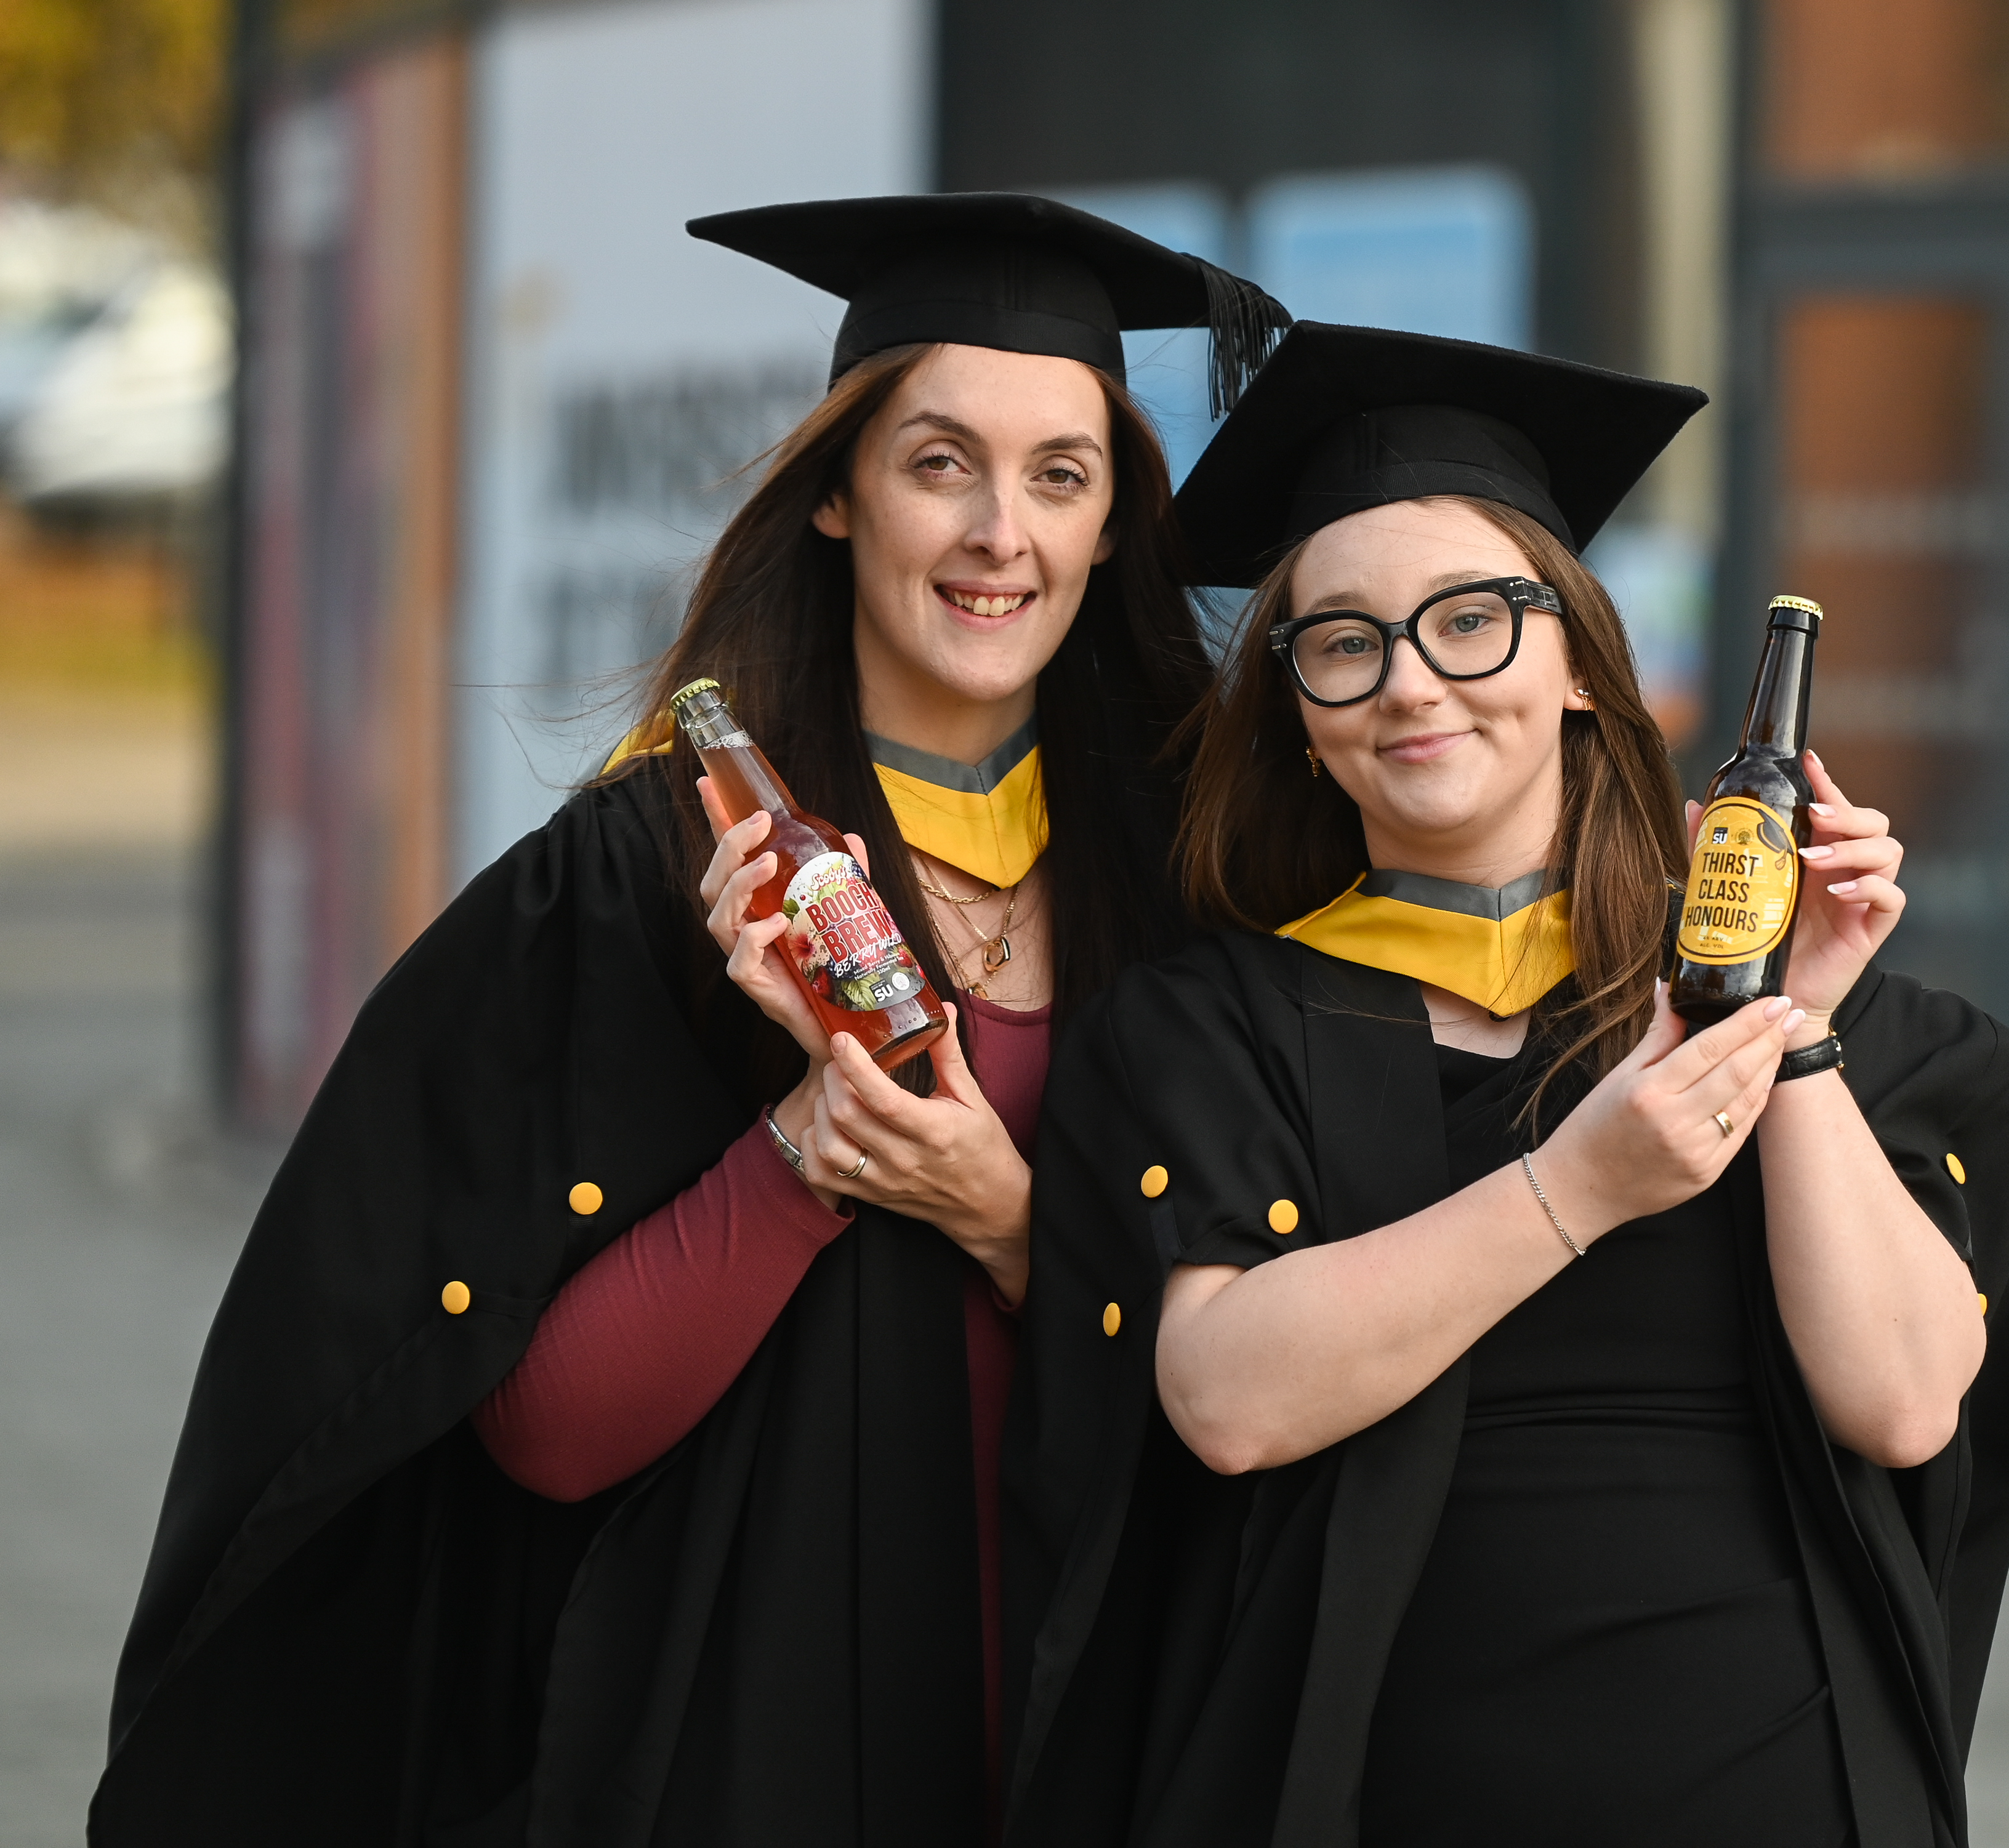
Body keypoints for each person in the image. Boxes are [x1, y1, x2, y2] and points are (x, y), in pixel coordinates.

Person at [94, 195, 1284, 1847]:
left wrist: (1012, 1221)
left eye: (1059, 476)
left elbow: (1277, 1377)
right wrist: (805, 1146)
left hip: (1116, 1729)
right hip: (755, 1744)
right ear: (836, 499)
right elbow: (548, 1437)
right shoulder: (648, 874)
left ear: (1109, 530)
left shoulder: (1200, 888)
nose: (1001, 530)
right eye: (941, 462)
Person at [1004, 324, 2009, 1848]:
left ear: (1577, 659)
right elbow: (1227, 1399)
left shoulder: (1813, 1015)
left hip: (1774, 1790)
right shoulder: (1206, 1027)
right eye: (1346, 643)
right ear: (1300, 716)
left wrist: (1792, 1022)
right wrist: (1581, 1183)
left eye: (1472, 621)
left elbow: (1902, 1404)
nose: (1412, 682)